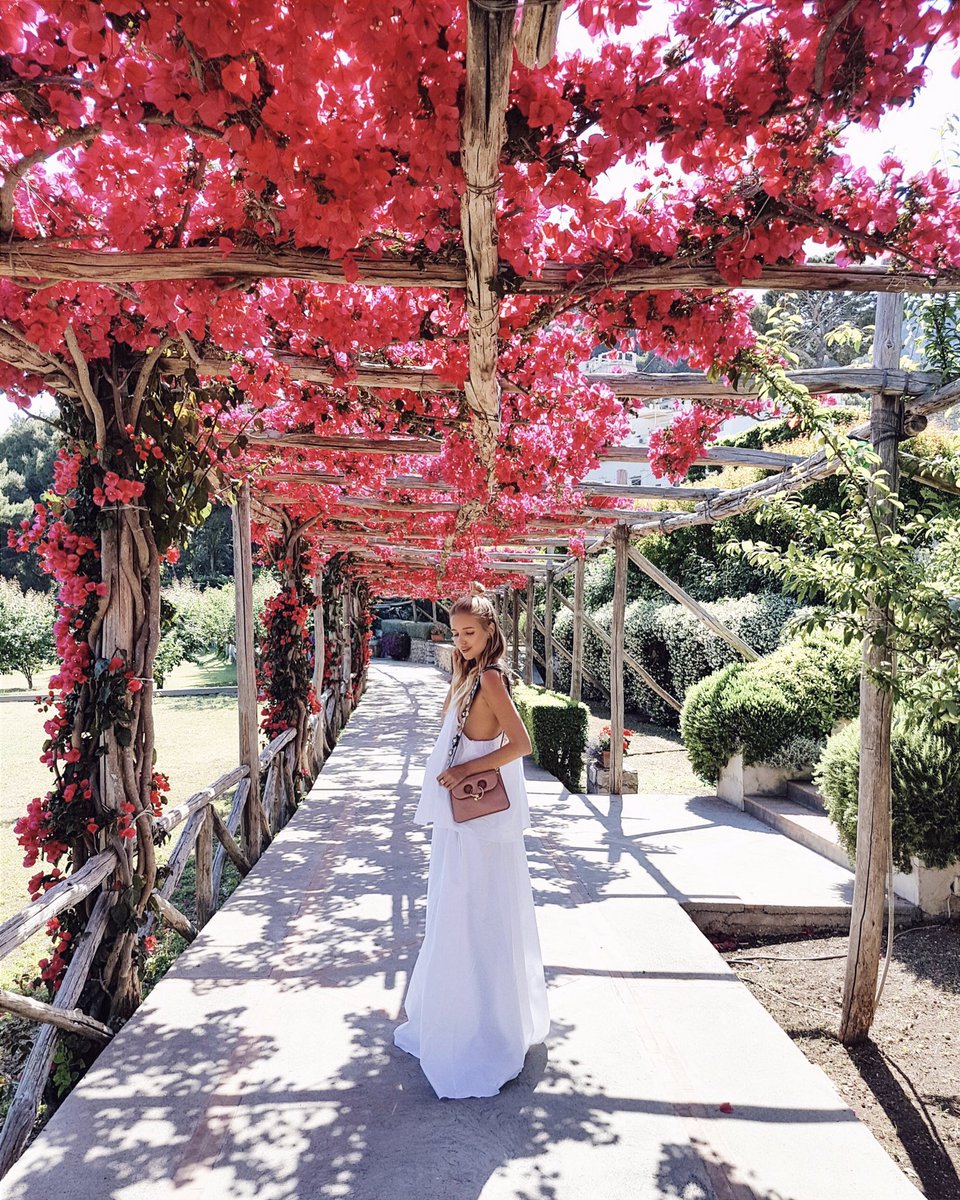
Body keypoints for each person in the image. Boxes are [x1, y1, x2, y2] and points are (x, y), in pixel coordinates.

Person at [393, 583, 551, 1098]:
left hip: (476, 819)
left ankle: (480, 1029)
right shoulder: (468, 677)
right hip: (460, 821)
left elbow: (521, 743)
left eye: (470, 632)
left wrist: (463, 771)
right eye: (456, 633)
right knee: (460, 907)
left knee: (472, 910)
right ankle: (470, 1016)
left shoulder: (491, 680)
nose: (461, 641)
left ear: (490, 632)